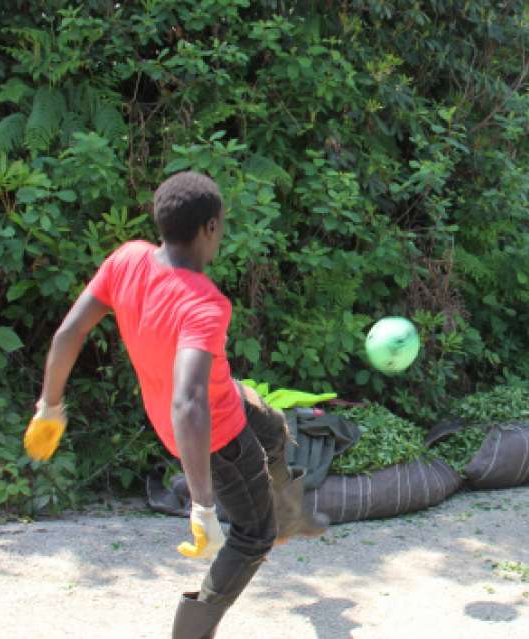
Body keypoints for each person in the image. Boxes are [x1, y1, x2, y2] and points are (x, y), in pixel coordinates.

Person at [24, 171, 328, 638]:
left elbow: (69, 332)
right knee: (251, 538)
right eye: (221, 226)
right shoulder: (202, 304)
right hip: (213, 435)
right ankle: (191, 633)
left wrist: (50, 406)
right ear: (210, 228)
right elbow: (189, 402)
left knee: (271, 426)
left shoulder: (128, 259)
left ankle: (288, 514)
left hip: (210, 405)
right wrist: (203, 506)